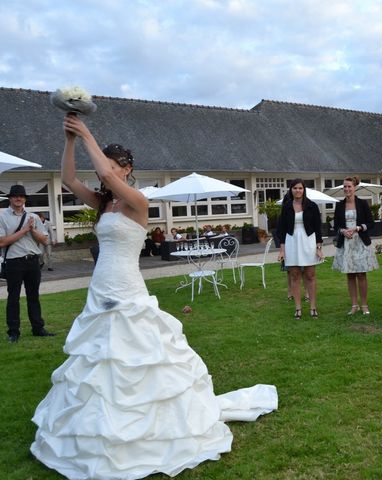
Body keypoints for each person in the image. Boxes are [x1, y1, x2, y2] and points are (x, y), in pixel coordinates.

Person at [31, 114, 277, 479]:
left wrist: (86, 134)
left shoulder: (136, 202)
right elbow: (67, 179)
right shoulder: (104, 205)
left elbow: (111, 179)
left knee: (136, 357)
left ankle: (147, 429)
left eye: (111, 168)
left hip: (127, 286)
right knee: (100, 363)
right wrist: (69, 139)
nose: (103, 174)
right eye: (104, 168)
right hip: (100, 288)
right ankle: (100, 430)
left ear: (127, 169)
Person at [0, 185, 55, 342]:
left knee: (34, 297)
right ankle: (13, 332)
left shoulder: (34, 218)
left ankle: (38, 328)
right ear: (10, 199)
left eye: (21, 196)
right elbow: (2, 242)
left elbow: (44, 239)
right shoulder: (2, 217)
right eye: (15, 196)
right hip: (13, 262)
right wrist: (24, 230)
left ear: (24, 199)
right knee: (13, 298)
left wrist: (32, 230)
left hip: (32, 261)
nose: (19, 198)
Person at [276, 179, 323, 319]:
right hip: (291, 242)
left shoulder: (312, 206)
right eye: (295, 188)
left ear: (304, 190)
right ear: (291, 190)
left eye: (300, 188)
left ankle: (313, 307)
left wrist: (319, 247)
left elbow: (317, 228)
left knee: (310, 275)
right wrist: (282, 250)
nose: (298, 190)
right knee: (294, 275)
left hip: (308, 241)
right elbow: (281, 230)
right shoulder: (286, 207)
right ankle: (298, 308)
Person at [332, 176, 379, 315]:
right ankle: (354, 305)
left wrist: (357, 228)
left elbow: (371, 223)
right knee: (350, 275)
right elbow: (336, 226)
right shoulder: (339, 205)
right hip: (346, 242)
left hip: (360, 241)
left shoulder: (363, 204)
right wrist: (343, 231)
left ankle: (364, 305)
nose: (347, 189)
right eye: (344, 187)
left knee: (361, 274)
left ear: (355, 188)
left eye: (349, 186)